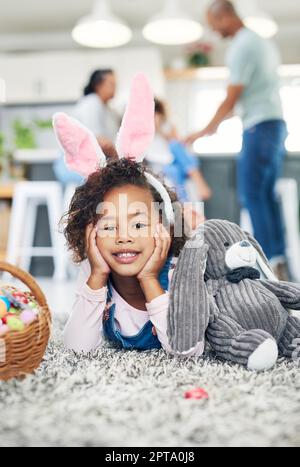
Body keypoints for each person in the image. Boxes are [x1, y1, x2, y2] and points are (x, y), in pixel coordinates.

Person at [53, 74, 205, 357]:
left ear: (164, 226)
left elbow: (189, 349)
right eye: (108, 227)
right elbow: (76, 349)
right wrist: (97, 275)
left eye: (138, 223)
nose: (124, 237)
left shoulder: (176, 272)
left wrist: (149, 279)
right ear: (89, 233)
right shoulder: (94, 270)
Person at [186, 0, 288, 280]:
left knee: (252, 196)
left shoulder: (242, 46)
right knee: (265, 197)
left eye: (213, 23)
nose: (213, 30)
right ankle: (278, 259)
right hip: (274, 126)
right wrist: (215, 126)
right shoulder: (262, 43)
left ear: (225, 16)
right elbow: (247, 100)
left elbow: (232, 98)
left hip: (260, 129)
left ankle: (265, 262)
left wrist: (201, 131)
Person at [54, 69, 119, 185]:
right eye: (111, 84)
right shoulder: (92, 103)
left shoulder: (108, 109)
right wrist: (120, 159)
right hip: (73, 165)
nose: (115, 88)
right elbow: (100, 141)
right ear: (98, 85)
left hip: (86, 164)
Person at [147, 99, 212, 204]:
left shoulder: (166, 126)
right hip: (159, 162)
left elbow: (178, 142)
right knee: (173, 170)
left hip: (174, 159)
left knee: (175, 146)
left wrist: (160, 129)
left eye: (156, 112)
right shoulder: (142, 131)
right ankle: (196, 178)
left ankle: (195, 176)